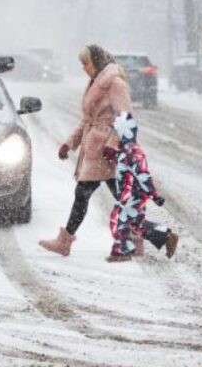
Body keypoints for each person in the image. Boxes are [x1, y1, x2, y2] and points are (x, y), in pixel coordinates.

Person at [38, 45, 132, 257]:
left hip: (105, 151)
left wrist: (113, 145)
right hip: (96, 149)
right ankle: (157, 235)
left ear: (96, 61)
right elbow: (88, 121)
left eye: (86, 63)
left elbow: (126, 118)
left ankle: (64, 242)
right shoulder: (96, 82)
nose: (83, 68)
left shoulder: (114, 83)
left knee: (84, 194)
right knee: (114, 197)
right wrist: (70, 143)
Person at [105, 111, 178, 262]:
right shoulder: (126, 150)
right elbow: (126, 168)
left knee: (118, 218)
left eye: (116, 132)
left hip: (133, 194)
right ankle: (165, 236)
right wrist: (115, 156)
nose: (114, 135)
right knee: (135, 223)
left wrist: (155, 195)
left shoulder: (132, 152)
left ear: (124, 132)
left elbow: (143, 175)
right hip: (131, 193)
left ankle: (122, 251)